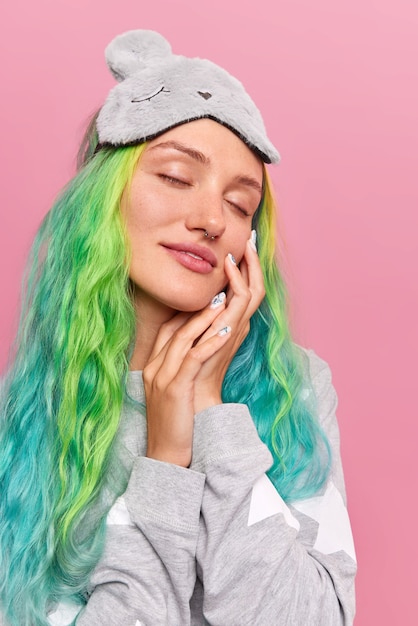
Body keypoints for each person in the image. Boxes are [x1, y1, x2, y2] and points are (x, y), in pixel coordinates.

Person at [0, 30, 356, 626]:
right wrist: (164, 464)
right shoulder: (27, 419)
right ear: (102, 199)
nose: (212, 219)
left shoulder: (295, 384)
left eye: (241, 206)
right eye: (174, 176)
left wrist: (211, 412)